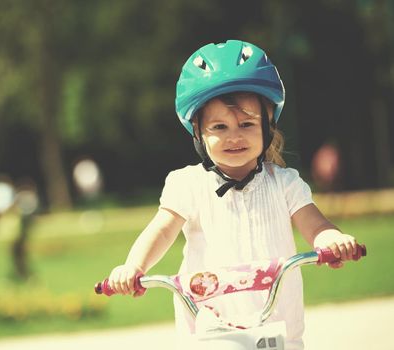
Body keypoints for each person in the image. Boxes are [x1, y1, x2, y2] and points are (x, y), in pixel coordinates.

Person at [106, 40, 358, 349]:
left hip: (277, 327)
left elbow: (314, 225)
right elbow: (160, 230)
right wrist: (134, 266)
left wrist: (330, 240)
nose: (234, 136)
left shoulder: (285, 183)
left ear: (268, 126)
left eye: (247, 124)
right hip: (209, 327)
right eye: (220, 126)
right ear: (198, 132)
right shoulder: (187, 185)